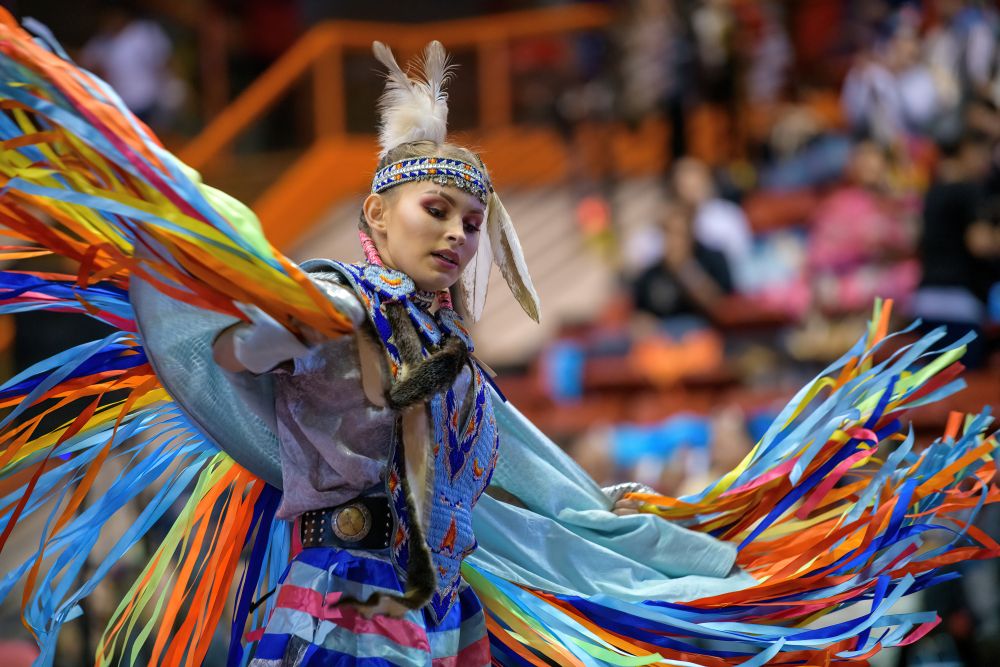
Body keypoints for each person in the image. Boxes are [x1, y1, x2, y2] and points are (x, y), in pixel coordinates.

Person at [0, 13, 998, 667]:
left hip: (443, 606)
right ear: (376, 217)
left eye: (471, 223)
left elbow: (531, 475)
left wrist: (623, 523)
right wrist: (291, 327)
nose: (456, 234)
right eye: (435, 211)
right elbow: (231, 354)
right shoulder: (336, 299)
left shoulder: (452, 355)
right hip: (340, 606)